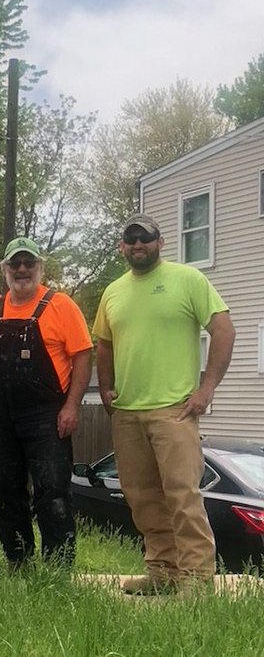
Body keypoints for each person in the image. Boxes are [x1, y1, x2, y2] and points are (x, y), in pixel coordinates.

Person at [94, 213, 235, 595]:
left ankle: (196, 580)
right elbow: (103, 343)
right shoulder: (113, 292)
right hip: (127, 412)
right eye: (131, 238)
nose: (138, 244)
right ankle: (162, 572)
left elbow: (222, 329)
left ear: (160, 242)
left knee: (182, 496)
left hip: (175, 409)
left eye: (146, 237)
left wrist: (206, 389)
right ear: (122, 246)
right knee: (141, 497)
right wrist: (106, 387)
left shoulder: (188, 280)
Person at [0, 237, 93, 570]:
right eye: (14, 264)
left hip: (47, 416)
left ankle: (58, 568)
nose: (21, 270)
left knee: (52, 492)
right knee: (3, 491)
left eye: (28, 263)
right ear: (4, 269)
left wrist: (72, 406)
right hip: (3, 415)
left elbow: (83, 356)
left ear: (39, 267)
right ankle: (18, 562)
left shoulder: (61, 306)